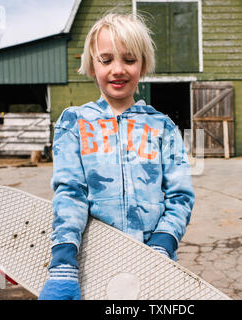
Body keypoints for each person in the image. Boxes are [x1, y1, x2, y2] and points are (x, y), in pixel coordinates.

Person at [38, 12, 195, 300]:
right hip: (94, 264)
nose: (118, 69)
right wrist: (63, 263)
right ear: (92, 64)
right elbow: (69, 194)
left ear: (143, 64)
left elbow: (180, 196)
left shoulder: (164, 127)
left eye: (129, 59)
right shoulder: (74, 123)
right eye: (107, 59)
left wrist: (163, 243)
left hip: (153, 263)